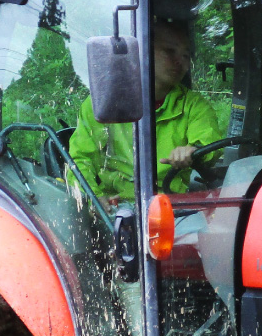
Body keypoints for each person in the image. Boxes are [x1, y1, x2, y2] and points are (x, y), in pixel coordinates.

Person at [71, 19, 222, 205]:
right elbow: (80, 160)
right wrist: (94, 198)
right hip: (114, 207)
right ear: (143, 52)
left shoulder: (194, 105)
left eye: (185, 55)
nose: (179, 62)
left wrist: (193, 150)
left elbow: (210, 145)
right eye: (169, 51)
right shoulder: (104, 102)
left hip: (172, 207)